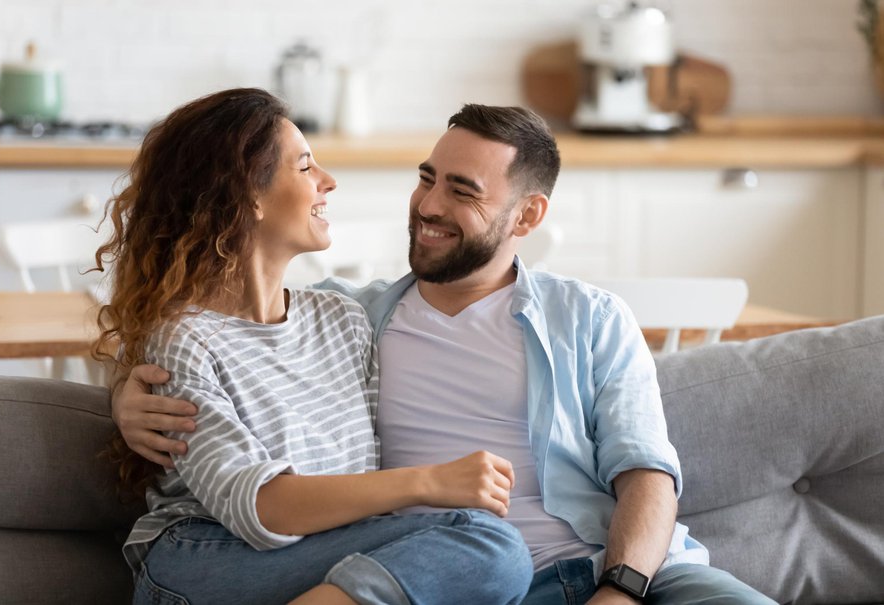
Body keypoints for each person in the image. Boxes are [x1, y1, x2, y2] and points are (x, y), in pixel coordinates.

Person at [113, 103, 776, 605]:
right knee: (490, 550)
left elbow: (649, 475)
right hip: (462, 580)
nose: (428, 205)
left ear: (527, 216)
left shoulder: (589, 318)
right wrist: (125, 397)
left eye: (462, 191)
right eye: (426, 178)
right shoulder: (364, 314)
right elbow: (218, 333)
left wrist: (622, 589)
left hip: (617, 575)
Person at [94, 88, 534, 605]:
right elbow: (256, 506)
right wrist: (429, 483)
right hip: (204, 558)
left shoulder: (344, 319)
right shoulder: (182, 340)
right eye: (305, 167)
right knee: (491, 546)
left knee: (490, 552)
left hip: (320, 561)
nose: (328, 182)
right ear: (247, 195)